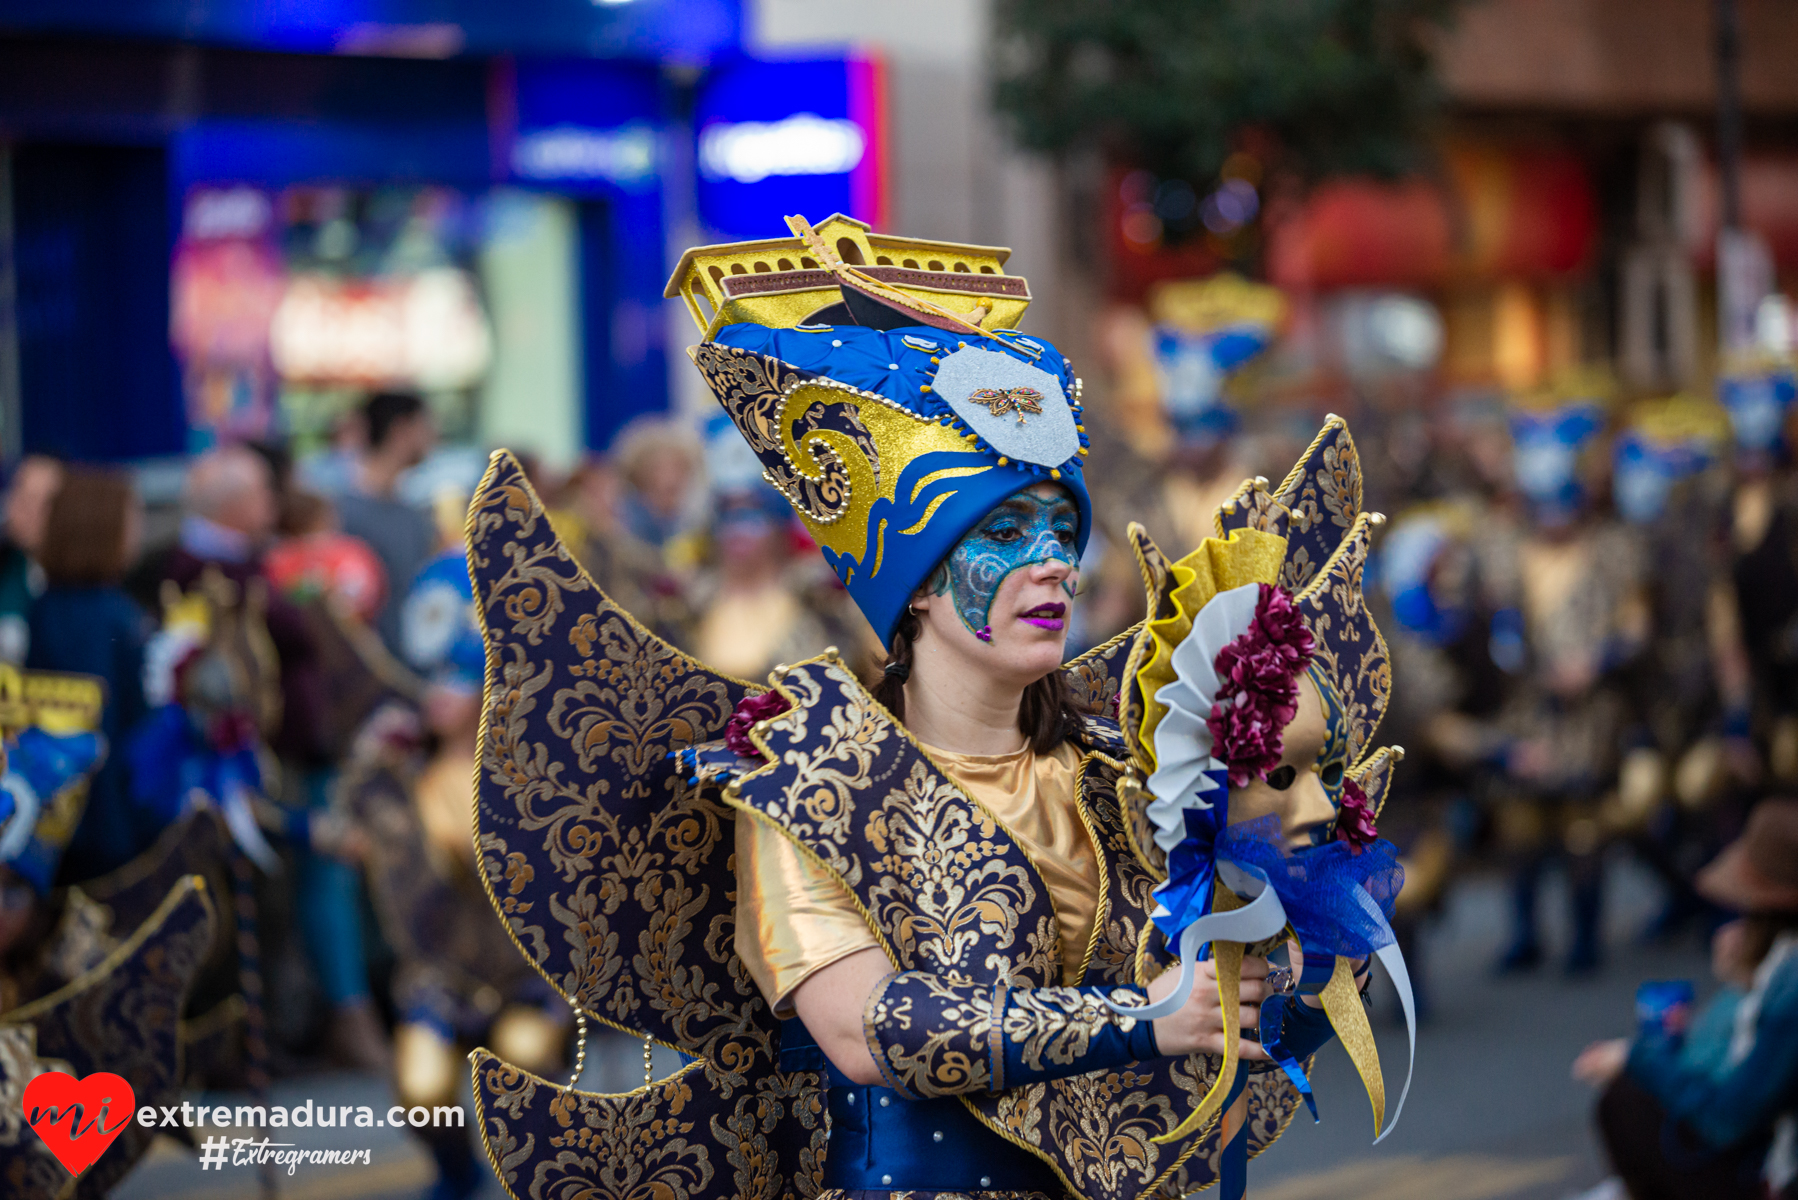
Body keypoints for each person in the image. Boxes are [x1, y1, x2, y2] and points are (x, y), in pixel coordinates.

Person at [460, 217, 1414, 1200]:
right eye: (1003, 530)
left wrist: (1297, 929)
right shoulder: (806, 781)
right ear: (913, 580)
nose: (1051, 561)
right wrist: (1145, 1017)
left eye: (1059, 529)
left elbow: (1239, 1027)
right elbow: (865, 1030)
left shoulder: (1115, 766)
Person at [1574, 798, 1798, 1200]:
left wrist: (1641, 1058)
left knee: (1627, 1103)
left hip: (1775, 1168)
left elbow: (1727, 1115)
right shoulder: (1779, 967)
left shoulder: (1791, 982)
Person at [26, 467, 156, 882]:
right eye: (133, 517)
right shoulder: (103, 617)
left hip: (74, 822)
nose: (140, 529)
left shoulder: (51, 605)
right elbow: (102, 730)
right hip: (107, 828)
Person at [335, 391, 439, 656]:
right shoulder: (340, 512)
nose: (434, 436)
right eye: (425, 426)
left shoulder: (411, 513)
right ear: (401, 430)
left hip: (412, 674)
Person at [0, 456, 61, 665]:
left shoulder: (78, 583)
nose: (26, 510)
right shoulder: (7, 567)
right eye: (20, 494)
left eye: (42, 501)